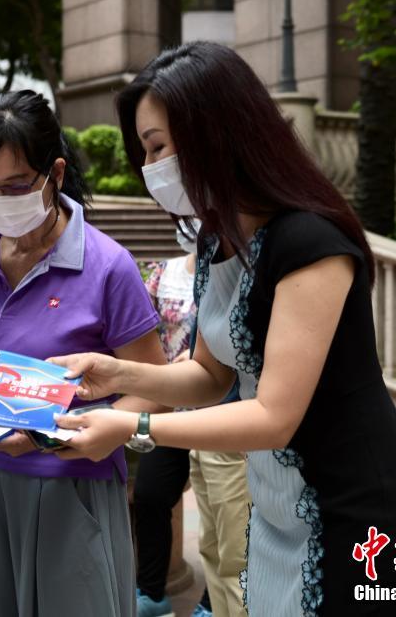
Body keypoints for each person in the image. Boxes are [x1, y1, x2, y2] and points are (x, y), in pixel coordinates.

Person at [50, 42, 396, 616]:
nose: (151, 167)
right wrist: (115, 372)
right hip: (280, 504)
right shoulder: (217, 238)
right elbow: (211, 374)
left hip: (356, 510)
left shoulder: (309, 243)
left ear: (215, 130)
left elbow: (274, 417)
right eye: (145, 151)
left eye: (157, 146)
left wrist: (133, 424)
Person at [0, 89, 168, 617]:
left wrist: (63, 435)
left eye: (17, 186)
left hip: (74, 490)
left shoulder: (108, 266)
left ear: (57, 175)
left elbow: (154, 393)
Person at [133, 219, 250, 617]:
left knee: (228, 534)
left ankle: (209, 603)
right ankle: (153, 592)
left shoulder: (247, 267)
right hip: (175, 408)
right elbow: (142, 339)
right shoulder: (166, 274)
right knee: (155, 498)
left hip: (229, 417)